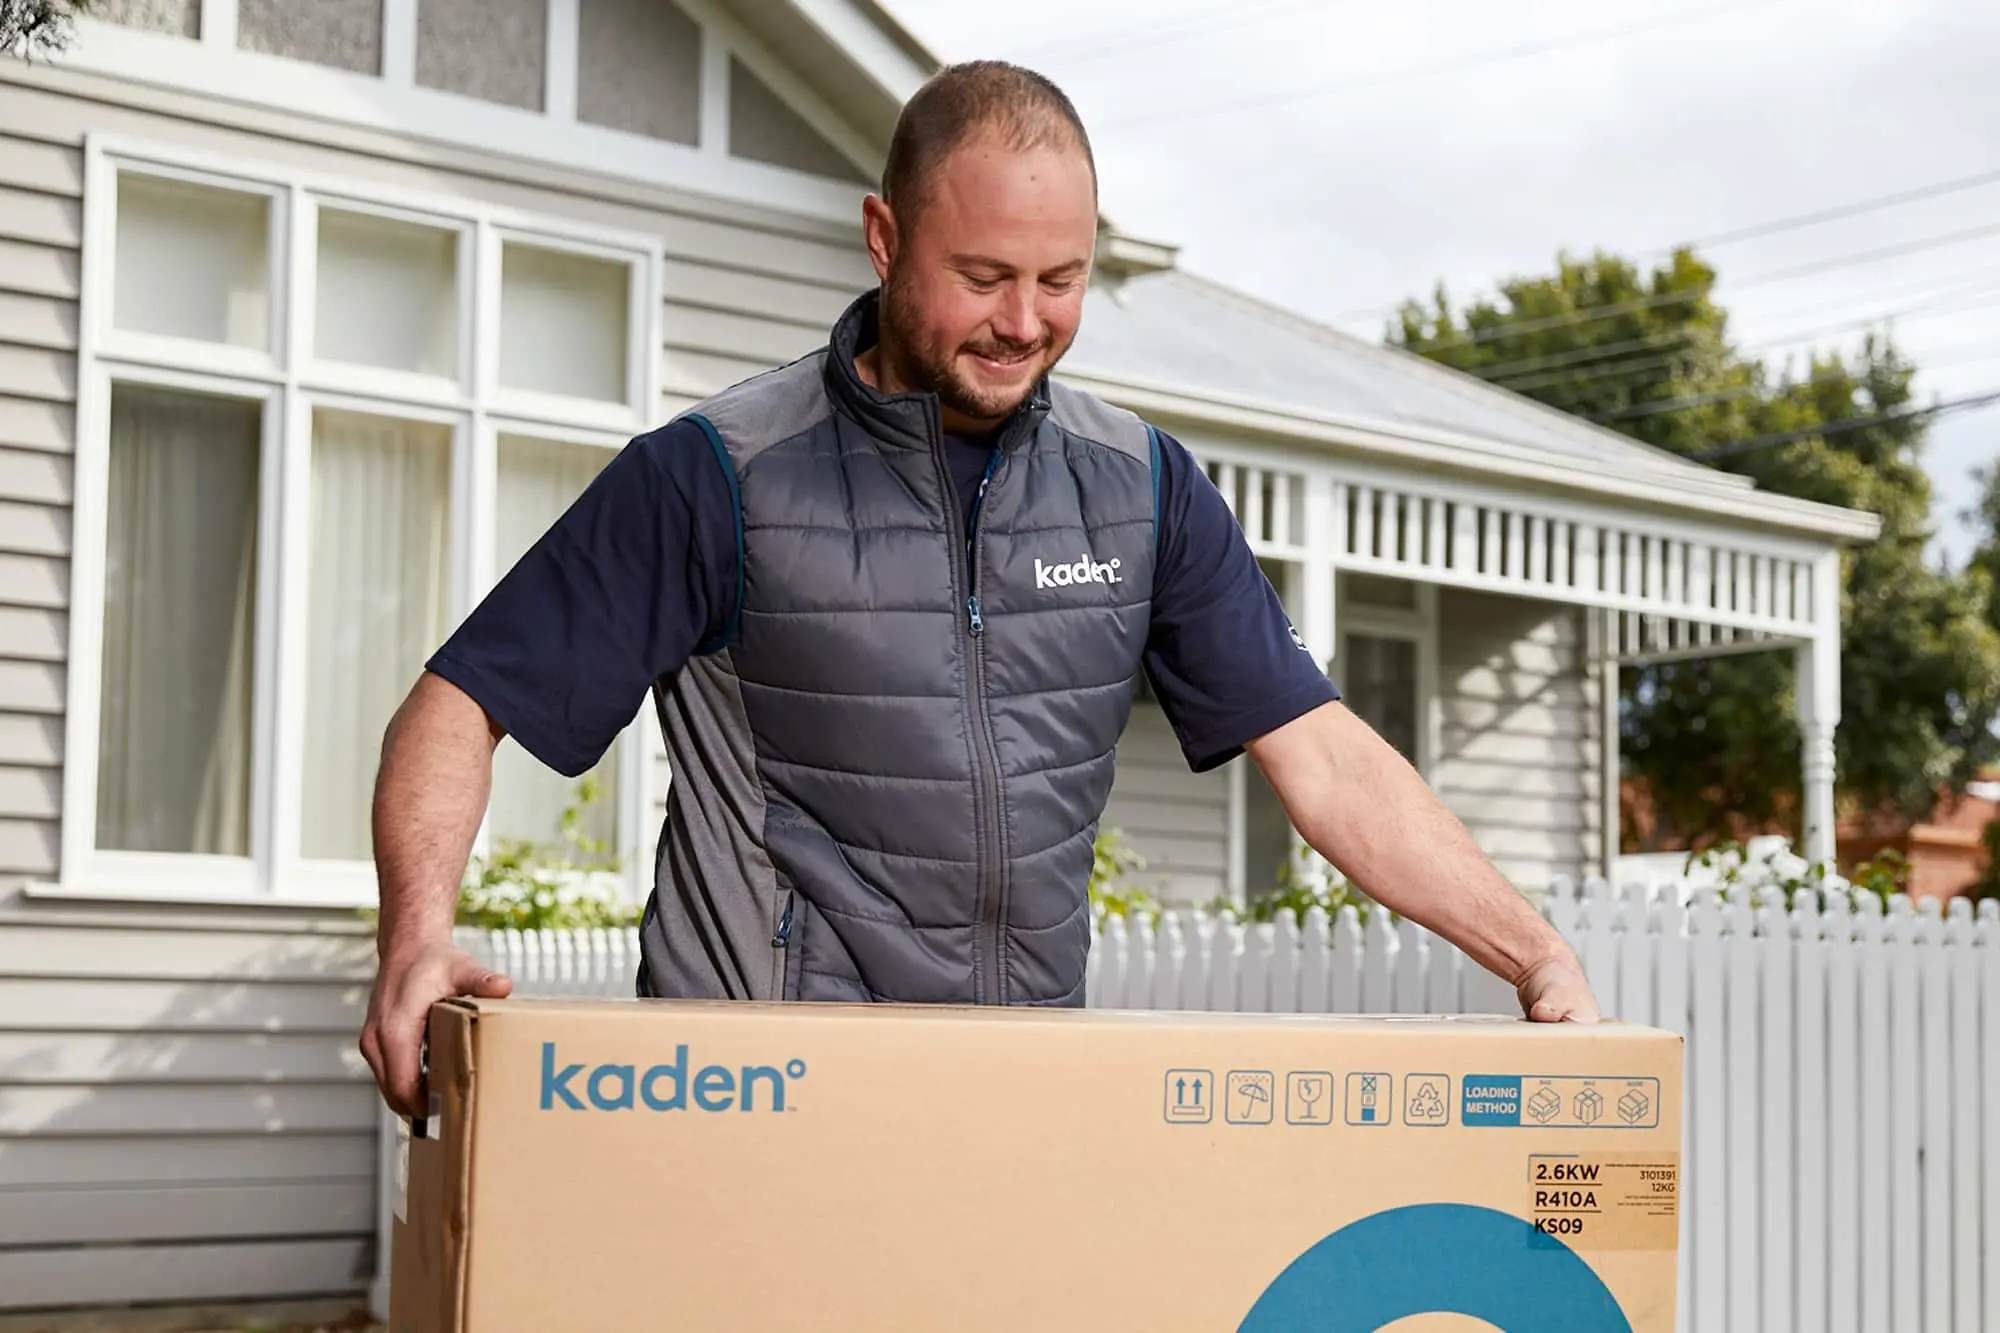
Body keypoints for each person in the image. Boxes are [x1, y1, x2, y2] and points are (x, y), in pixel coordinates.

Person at [360, 60, 1598, 1116]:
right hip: (754, 1096)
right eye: (984, 275)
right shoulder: (716, 477)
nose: (1023, 320)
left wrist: (1531, 954)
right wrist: (414, 941)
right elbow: (459, 703)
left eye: (1060, 280)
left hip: (1012, 1097)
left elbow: (1321, 754)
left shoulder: (1140, 487)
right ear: (884, 238)